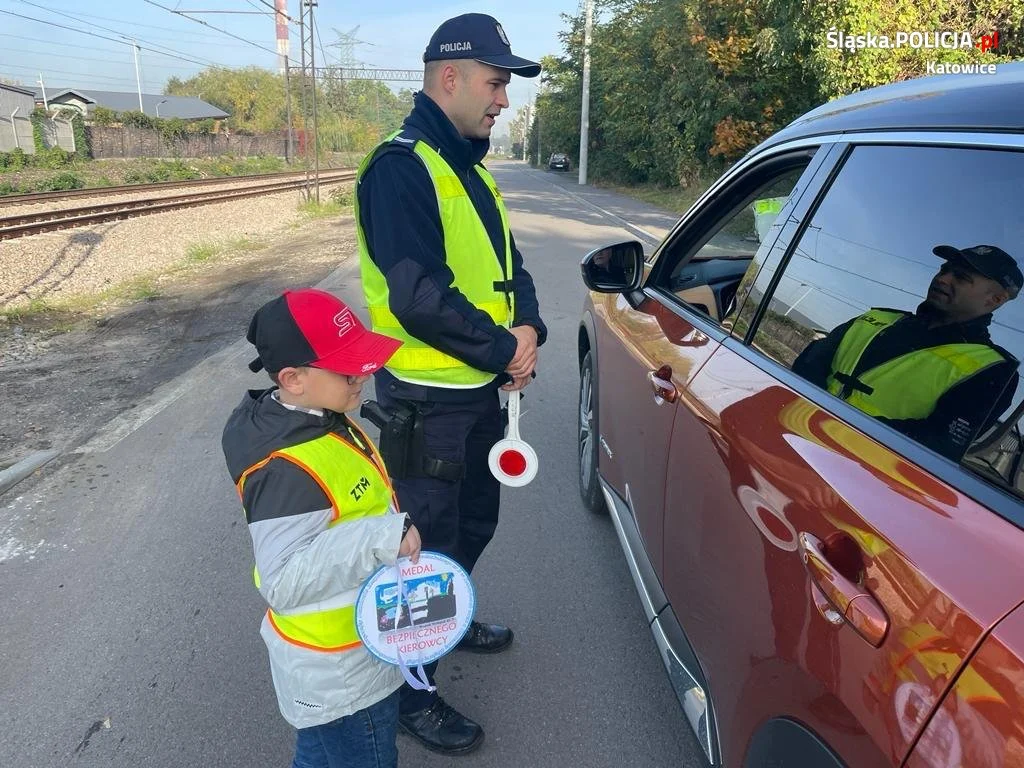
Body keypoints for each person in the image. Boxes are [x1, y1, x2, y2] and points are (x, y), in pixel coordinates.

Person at [355, 12, 547, 756]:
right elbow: (416, 296)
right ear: (450, 78)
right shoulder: (402, 166)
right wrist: (506, 349)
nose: (504, 99)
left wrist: (526, 331)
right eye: (497, 83)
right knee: (424, 545)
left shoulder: (465, 166)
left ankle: (448, 618)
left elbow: (510, 263)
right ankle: (410, 691)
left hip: (477, 394)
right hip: (428, 402)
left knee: (472, 526)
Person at [221, 287, 423, 768]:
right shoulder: (286, 465)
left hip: (337, 655)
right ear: (293, 378)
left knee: (319, 754)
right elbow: (284, 579)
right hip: (341, 667)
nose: (364, 375)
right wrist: (382, 537)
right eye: (346, 368)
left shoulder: (314, 415)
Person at [792, 244, 1021, 460]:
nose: (942, 279)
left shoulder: (993, 370)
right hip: (793, 433)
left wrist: (832, 430)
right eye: (944, 270)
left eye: (960, 277)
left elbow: (934, 447)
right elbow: (807, 366)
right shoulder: (877, 318)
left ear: (995, 299)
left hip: (858, 474)